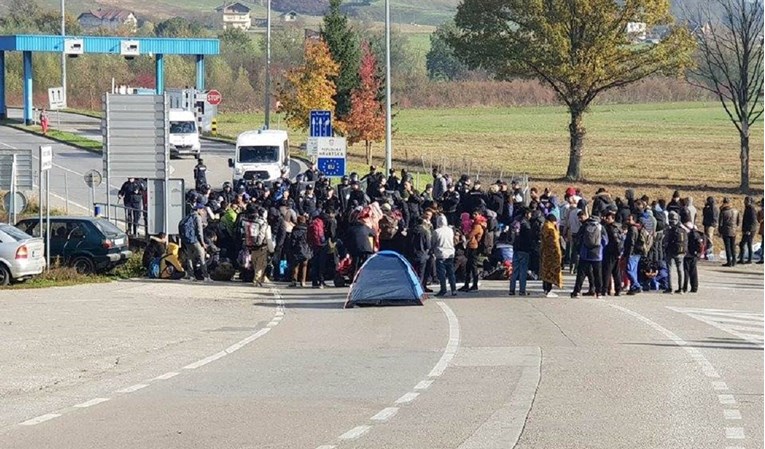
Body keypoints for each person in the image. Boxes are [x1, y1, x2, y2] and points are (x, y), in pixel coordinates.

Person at [571, 212, 607, 299]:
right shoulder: (601, 227)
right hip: (597, 254)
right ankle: (599, 293)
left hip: (585, 253)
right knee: (598, 274)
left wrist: (580, 249)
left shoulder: (585, 226)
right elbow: (605, 241)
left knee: (581, 274)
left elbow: (578, 238)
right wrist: (601, 247)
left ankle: (577, 292)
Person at [179, 204, 210, 282]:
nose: (203, 212)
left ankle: (191, 275)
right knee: (202, 256)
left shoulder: (188, 216)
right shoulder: (197, 217)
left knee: (189, 257)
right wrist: (202, 243)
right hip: (195, 240)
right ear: (198, 210)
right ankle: (206, 276)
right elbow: (199, 232)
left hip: (187, 240)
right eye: (202, 210)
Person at [459, 210, 486, 292]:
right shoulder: (474, 224)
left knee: (473, 266)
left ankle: (474, 284)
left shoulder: (478, 225)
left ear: (480, 215)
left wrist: (466, 234)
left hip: (473, 246)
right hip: (471, 245)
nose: (474, 215)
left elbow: (470, 235)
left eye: (476, 214)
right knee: (469, 266)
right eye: (473, 214)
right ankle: (467, 284)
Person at [509, 207, 533, 296]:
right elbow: (529, 238)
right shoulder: (526, 224)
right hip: (524, 249)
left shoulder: (516, 222)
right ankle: (522, 290)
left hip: (515, 248)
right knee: (523, 271)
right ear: (526, 214)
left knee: (514, 270)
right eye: (529, 214)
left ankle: (512, 289)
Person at [432, 214, 457, 297]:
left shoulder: (436, 231)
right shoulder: (450, 230)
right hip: (450, 252)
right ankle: (453, 289)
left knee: (442, 273)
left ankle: (443, 289)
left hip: (440, 253)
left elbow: (433, 243)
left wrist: (432, 251)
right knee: (451, 272)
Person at [663, 211, 687, 294]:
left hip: (670, 251)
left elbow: (666, 240)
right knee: (680, 270)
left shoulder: (669, 229)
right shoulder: (682, 229)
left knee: (669, 269)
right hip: (681, 252)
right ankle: (681, 288)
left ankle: (670, 288)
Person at [540, 214, 563, 297]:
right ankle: (549, 290)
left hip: (545, 253)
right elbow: (554, 242)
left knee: (545, 271)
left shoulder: (544, 227)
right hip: (552, 254)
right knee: (550, 271)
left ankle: (546, 289)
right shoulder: (550, 229)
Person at [601, 211, 623, 296]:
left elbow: (616, 241)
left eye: (608, 218)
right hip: (616, 251)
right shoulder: (618, 226)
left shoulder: (611, 228)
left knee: (607, 271)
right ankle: (618, 290)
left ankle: (605, 290)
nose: (606, 219)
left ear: (613, 218)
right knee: (616, 272)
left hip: (611, 251)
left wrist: (618, 252)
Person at [287, 215, 312, 287]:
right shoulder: (307, 230)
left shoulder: (295, 230)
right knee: (304, 266)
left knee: (295, 266)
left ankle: (294, 281)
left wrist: (290, 249)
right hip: (305, 249)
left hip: (296, 249)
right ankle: (303, 281)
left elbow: (292, 242)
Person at [718, 197, 740, 267]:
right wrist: (735, 227)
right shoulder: (736, 211)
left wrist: (720, 231)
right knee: (732, 246)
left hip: (726, 230)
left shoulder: (723, 212)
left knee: (727, 247)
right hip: (733, 230)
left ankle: (729, 262)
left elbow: (720, 223)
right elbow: (738, 222)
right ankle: (734, 260)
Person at [738, 196, 758, 264]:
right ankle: (748, 259)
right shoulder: (748, 208)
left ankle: (743, 259)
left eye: (745, 201)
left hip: (750, 230)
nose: (744, 202)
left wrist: (749, 230)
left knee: (742, 244)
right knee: (748, 244)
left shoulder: (751, 209)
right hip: (748, 229)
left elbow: (753, 221)